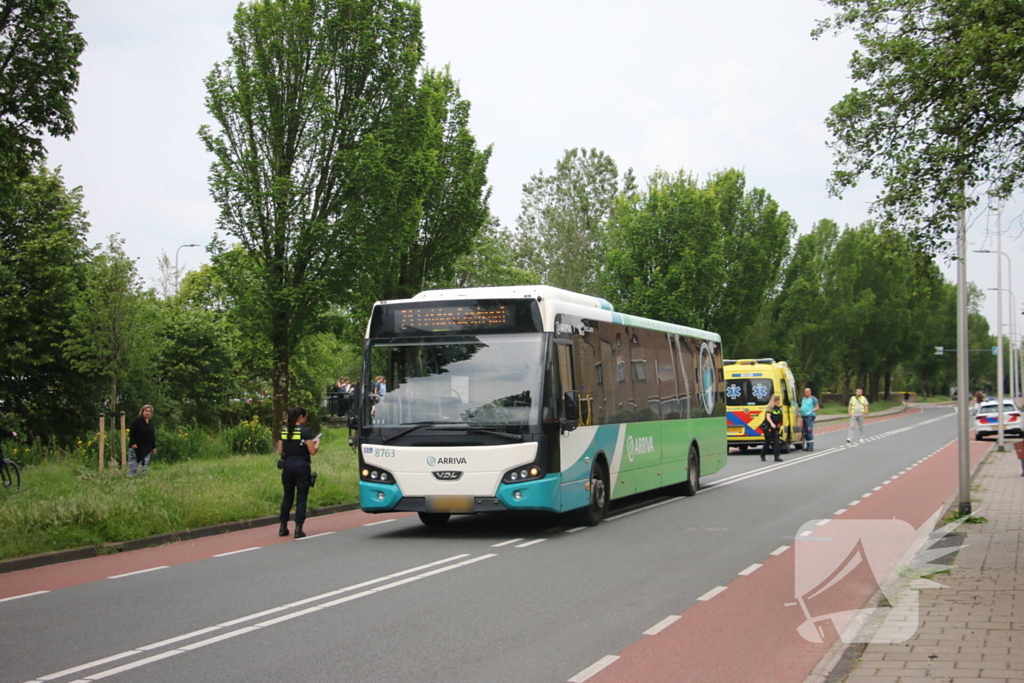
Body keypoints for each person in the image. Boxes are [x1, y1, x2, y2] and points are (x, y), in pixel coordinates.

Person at [278, 407, 320, 539]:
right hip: (302, 467)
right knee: (301, 498)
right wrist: (317, 443)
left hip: (287, 467)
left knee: (287, 497)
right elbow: (312, 451)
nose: (306, 419)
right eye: (305, 417)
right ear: (300, 417)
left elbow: (280, 451)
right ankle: (298, 529)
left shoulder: (284, 431)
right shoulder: (305, 431)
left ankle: (283, 527)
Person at [128, 405, 157, 476]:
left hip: (147, 446)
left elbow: (152, 435)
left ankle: (142, 475)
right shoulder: (137, 421)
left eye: (149, 411)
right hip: (137, 446)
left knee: (145, 462)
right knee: (134, 461)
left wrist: (153, 447)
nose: (147, 413)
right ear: (142, 411)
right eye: (146, 411)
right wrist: (133, 443)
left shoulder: (150, 423)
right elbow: (132, 432)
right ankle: (132, 475)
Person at [760, 394, 783, 462]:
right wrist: (771, 423)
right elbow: (768, 416)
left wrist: (779, 424)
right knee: (768, 442)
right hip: (769, 427)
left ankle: (777, 456)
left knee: (776, 442)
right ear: (776, 400)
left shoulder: (778, 408)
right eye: (779, 400)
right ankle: (763, 454)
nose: (779, 401)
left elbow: (780, 417)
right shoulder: (769, 407)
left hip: (775, 427)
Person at [800, 387, 820, 452]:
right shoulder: (803, 399)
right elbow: (802, 406)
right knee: (805, 431)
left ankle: (810, 446)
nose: (806, 393)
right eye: (805, 392)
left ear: (810, 392)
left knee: (809, 430)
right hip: (803, 416)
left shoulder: (813, 399)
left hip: (809, 416)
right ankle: (808, 445)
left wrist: (812, 411)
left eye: (808, 392)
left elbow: (817, 407)